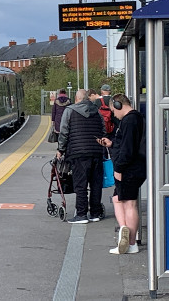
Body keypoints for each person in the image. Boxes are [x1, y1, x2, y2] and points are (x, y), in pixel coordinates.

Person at [99, 94, 145, 254]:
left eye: (113, 110)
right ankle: (124, 231)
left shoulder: (130, 120)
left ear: (118, 105)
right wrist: (112, 144)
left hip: (129, 168)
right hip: (134, 166)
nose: (113, 114)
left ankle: (130, 242)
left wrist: (119, 168)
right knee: (118, 199)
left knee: (129, 203)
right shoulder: (136, 119)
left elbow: (128, 148)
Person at [58, 89, 108, 224]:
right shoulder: (97, 111)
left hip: (78, 153)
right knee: (96, 184)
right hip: (97, 152)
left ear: (76, 98)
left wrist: (60, 150)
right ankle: (95, 213)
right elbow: (103, 131)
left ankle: (81, 214)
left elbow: (64, 132)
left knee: (80, 185)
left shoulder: (69, 111)